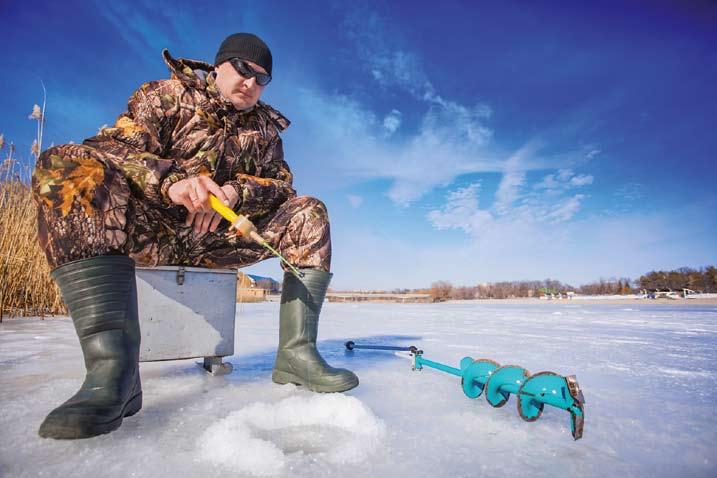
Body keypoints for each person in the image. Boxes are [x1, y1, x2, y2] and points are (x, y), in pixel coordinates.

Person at [32, 32, 358, 440]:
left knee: (309, 211)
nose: (251, 84)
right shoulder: (164, 96)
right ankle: (113, 373)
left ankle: (296, 354)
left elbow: (282, 187)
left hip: (218, 240)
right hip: (150, 229)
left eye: (263, 79)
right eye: (244, 70)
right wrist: (170, 182)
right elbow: (111, 149)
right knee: (67, 165)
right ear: (219, 64)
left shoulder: (265, 131)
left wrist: (237, 192)